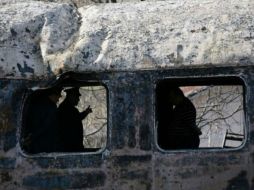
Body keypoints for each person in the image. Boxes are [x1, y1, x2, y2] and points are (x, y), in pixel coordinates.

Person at [24, 87, 62, 153]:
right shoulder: (51, 108)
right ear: (52, 95)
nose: (58, 99)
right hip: (45, 144)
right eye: (58, 96)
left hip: (37, 142)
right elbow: (45, 126)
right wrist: (31, 138)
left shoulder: (37, 103)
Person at [58, 87, 92, 152]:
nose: (78, 100)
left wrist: (86, 112)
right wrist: (86, 112)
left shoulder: (65, 107)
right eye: (77, 97)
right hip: (71, 146)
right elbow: (77, 118)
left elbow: (76, 118)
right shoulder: (67, 109)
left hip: (71, 145)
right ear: (71, 96)